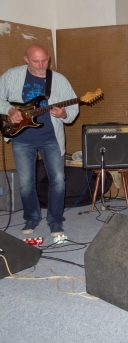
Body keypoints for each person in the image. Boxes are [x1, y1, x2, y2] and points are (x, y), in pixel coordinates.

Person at [0, 44, 79, 236]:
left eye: (45, 60)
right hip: (21, 137)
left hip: (51, 138)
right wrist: (10, 110)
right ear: (26, 59)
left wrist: (63, 114)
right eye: (36, 61)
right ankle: (31, 218)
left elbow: (73, 108)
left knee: (58, 180)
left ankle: (55, 220)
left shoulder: (59, 80)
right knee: (26, 182)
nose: (42, 65)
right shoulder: (12, 75)